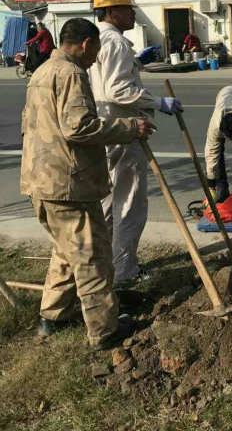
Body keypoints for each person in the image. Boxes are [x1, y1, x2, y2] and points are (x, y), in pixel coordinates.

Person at [20, 18, 153, 348]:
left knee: (66, 252)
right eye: (95, 52)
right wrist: (128, 128)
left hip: (41, 181)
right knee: (92, 256)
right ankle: (104, 330)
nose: (95, 60)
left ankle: (53, 316)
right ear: (86, 44)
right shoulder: (71, 74)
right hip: (68, 185)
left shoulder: (41, 72)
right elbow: (78, 127)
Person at [89, 0, 183, 286]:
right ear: (111, 11)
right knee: (129, 202)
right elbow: (117, 89)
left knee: (107, 201)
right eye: (127, 8)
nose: (132, 13)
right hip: (123, 129)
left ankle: (104, 266)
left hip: (104, 128)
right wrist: (158, 103)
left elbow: (105, 81)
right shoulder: (115, 42)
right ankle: (125, 271)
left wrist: (137, 62)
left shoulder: (98, 39)